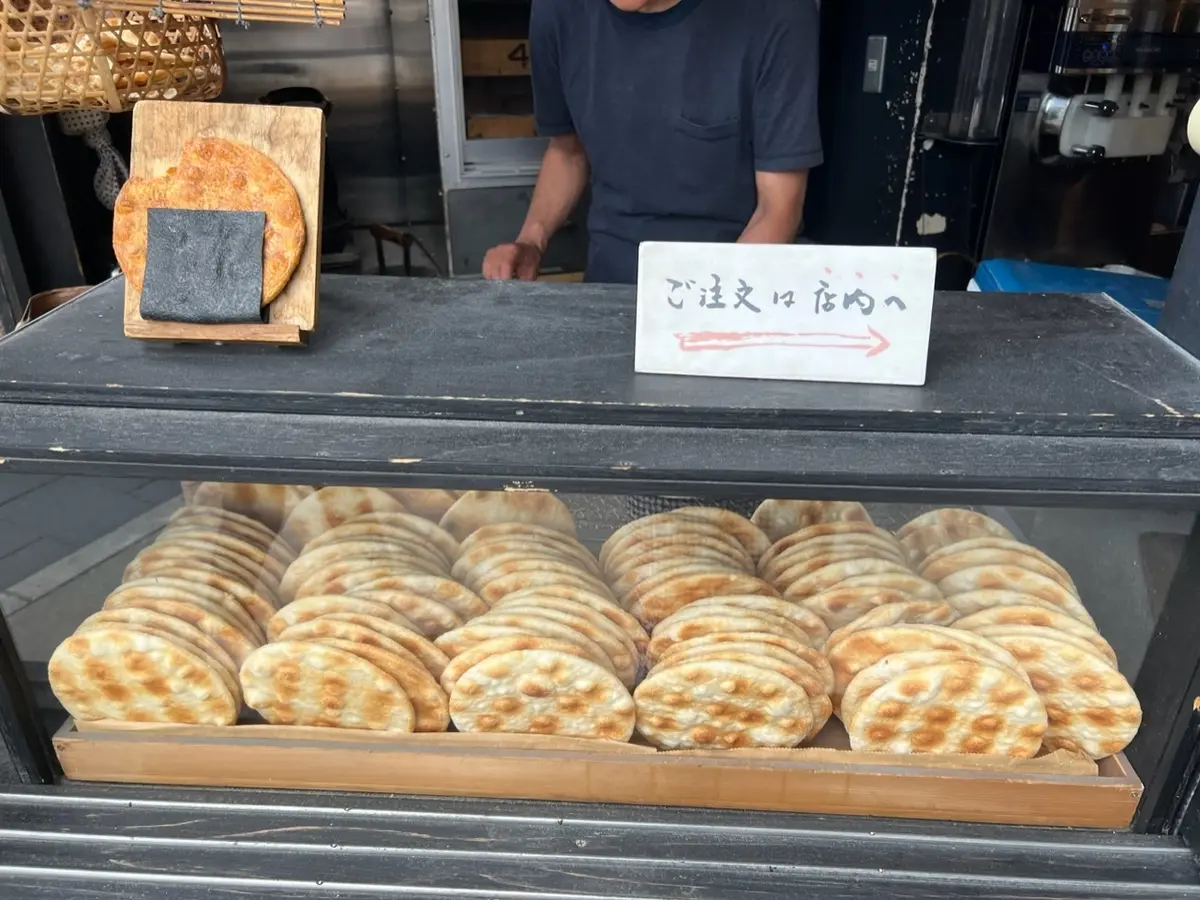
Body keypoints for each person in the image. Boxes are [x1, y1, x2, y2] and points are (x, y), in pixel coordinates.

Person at [482, 0, 822, 285]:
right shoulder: (559, 10)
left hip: (733, 280)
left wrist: (708, 314)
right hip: (612, 285)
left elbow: (778, 209)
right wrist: (531, 241)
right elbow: (569, 151)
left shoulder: (776, 13)